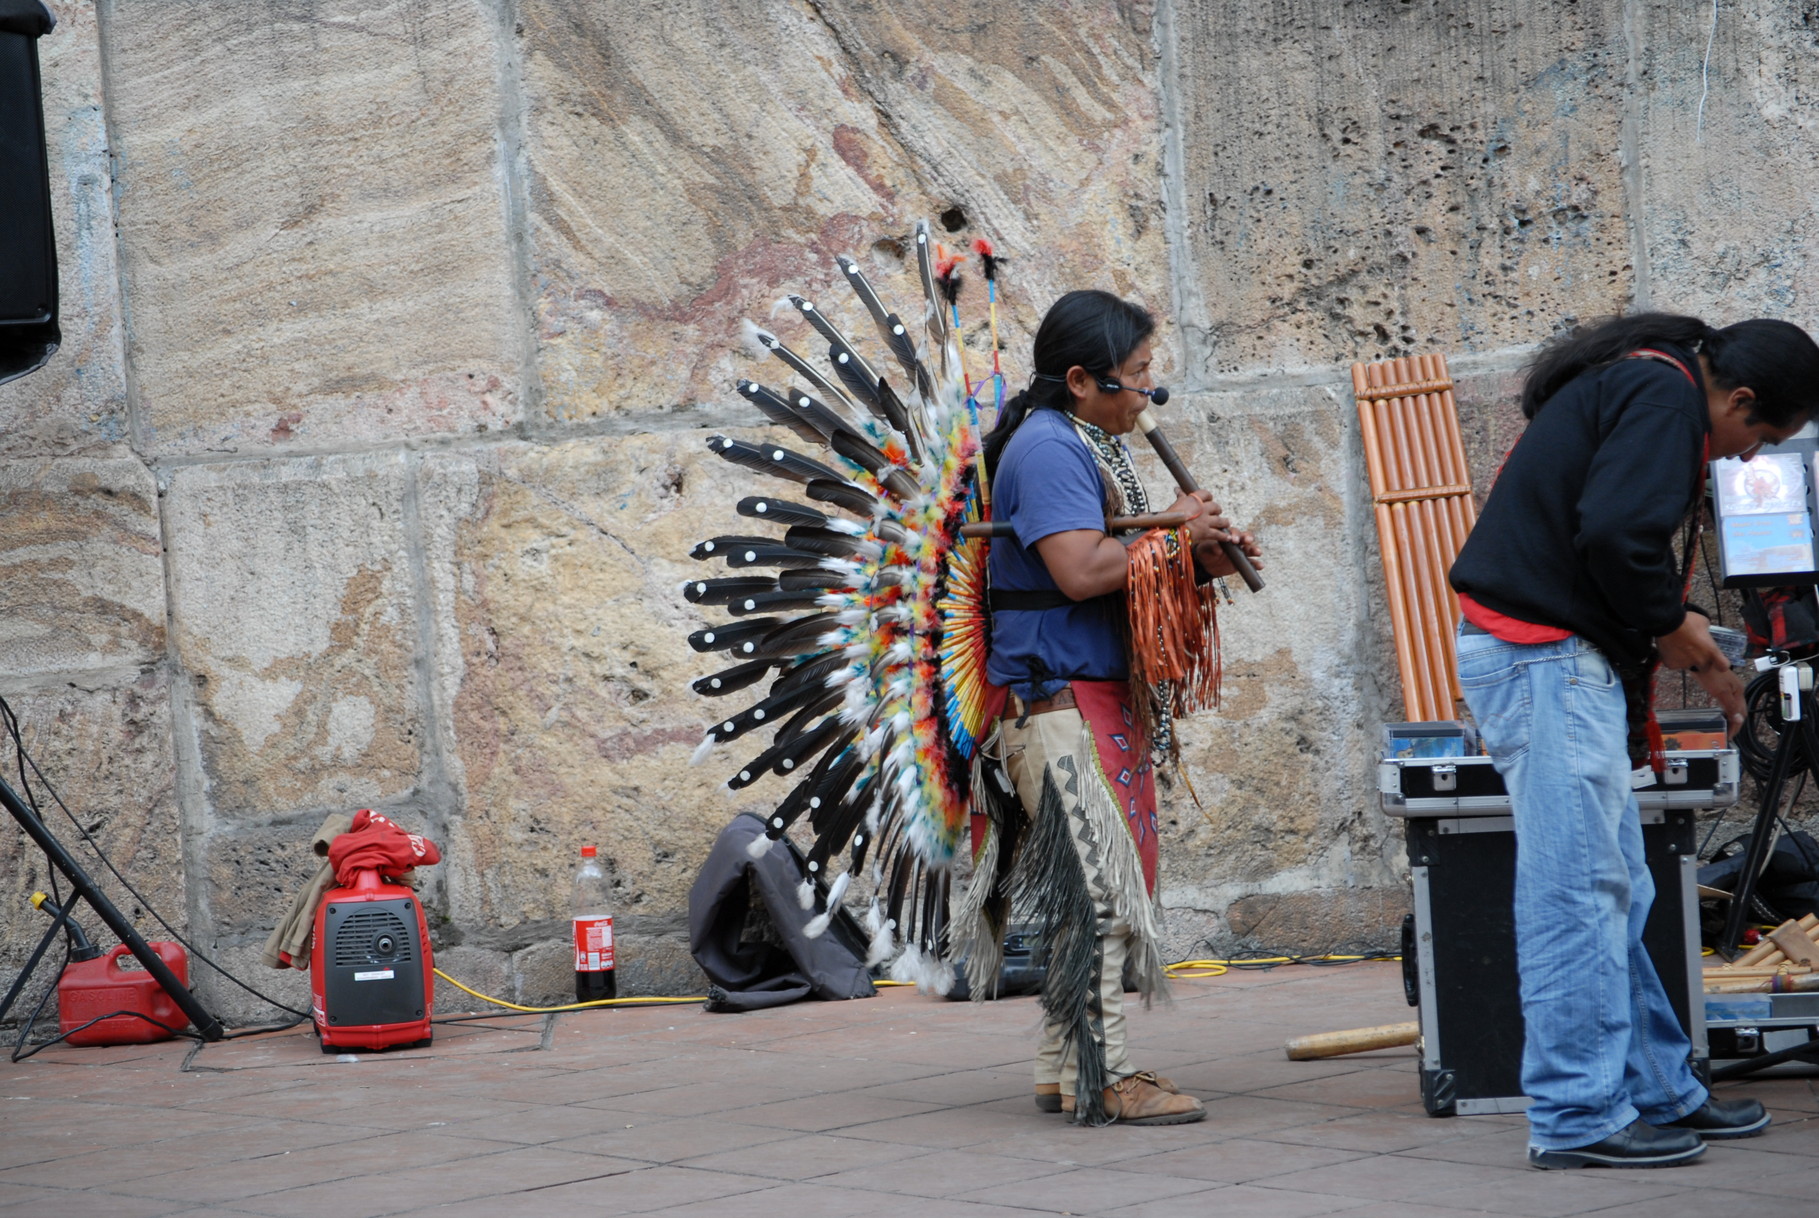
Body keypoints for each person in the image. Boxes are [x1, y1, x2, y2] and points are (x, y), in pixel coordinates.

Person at [1449, 313, 1819, 1168]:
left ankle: (1657, 1089)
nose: (1748, 457)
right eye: (1758, 434)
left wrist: (1671, 632)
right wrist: (1671, 626)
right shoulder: (1662, 391)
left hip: (1549, 659)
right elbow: (1616, 534)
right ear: (1737, 397)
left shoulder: (1648, 382)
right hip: (1542, 661)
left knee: (1615, 894)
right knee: (1575, 896)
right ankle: (1576, 1116)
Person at [979, 289, 1260, 1126]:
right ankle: (1104, 1073)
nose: (1147, 394)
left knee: (1092, 889)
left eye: (1147, 376)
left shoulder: (1082, 440)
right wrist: (1174, 531)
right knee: (1101, 892)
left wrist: (1200, 559)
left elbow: (1123, 566)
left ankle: (1061, 1065)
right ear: (1078, 379)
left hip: (1089, 694)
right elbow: (1078, 572)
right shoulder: (1045, 450)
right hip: (1055, 699)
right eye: (1135, 378)